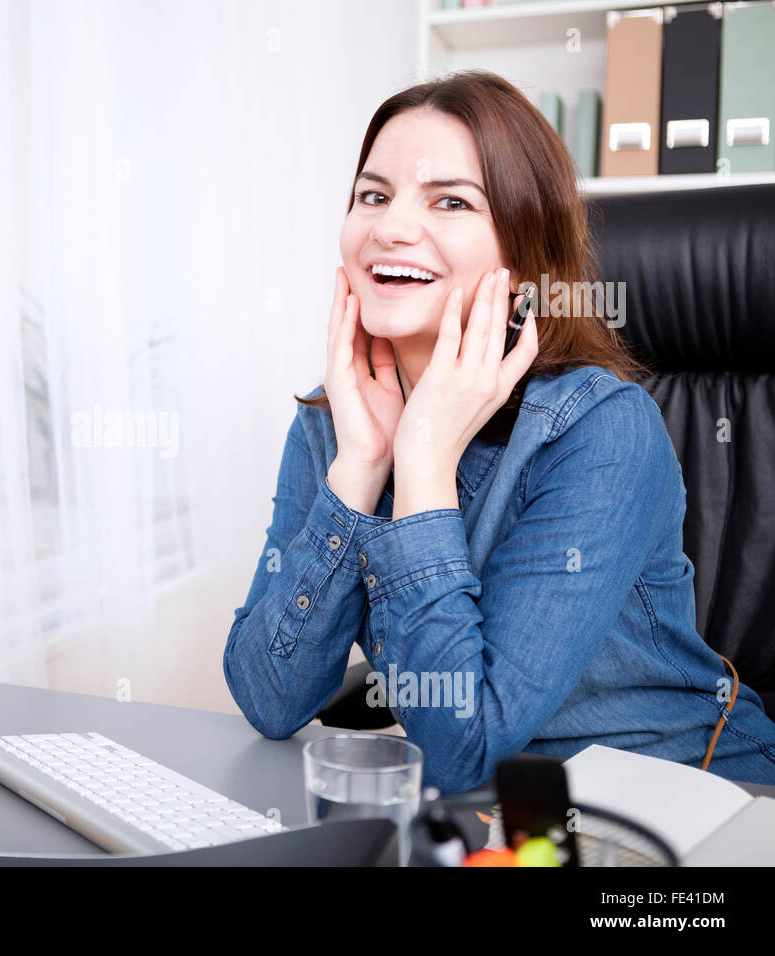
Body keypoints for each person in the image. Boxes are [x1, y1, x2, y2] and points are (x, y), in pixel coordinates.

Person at [223, 70, 775, 793]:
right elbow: (269, 699)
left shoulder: (601, 432)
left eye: (451, 200)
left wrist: (420, 468)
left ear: (524, 260)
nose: (390, 227)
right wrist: (361, 468)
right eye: (373, 195)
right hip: (503, 818)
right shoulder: (337, 421)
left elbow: (465, 745)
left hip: (688, 801)